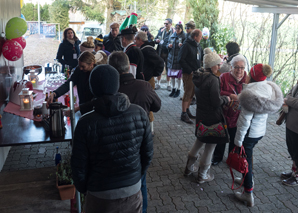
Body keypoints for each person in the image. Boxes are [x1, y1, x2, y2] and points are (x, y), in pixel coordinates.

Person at [71, 64, 153, 213]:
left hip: (99, 194)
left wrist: (86, 189)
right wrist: (136, 177)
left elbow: (78, 167)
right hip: (132, 190)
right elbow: (147, 153)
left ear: (92, 88)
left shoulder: (85, 122)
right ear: (117, 84)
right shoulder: (139, 113)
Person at [108, 51, 161, 213]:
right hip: (138, 142)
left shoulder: (109, 89)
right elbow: (157, 106)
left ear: (111, 68)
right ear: (128, 65)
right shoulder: (143, 86)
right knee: (141, 182)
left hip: (113, 143)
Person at [233, 64, 283, 207]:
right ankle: (247, 179)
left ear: (253, 75)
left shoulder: (251, 94)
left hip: (249, 132)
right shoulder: (267, 87)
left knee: (245, 160)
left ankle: (248, 193)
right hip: (259, 131)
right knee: (248, 157)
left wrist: (238, 141)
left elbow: (245, 120)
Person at [183, 52, 230, 183]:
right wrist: (226, 99)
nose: (219, 66)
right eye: (217, 64)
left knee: (199, 140)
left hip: (201, 114)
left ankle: (188, 168)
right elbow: (216, 102)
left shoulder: (198, 75)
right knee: (210, 146)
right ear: (212, 65)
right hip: (213, 116)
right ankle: (202, 175)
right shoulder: (213, 80)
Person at [212, 55, 248, 166]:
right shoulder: (224, 77)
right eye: (237, 67)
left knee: (235, 139)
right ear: (231, 67)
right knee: (221, 137)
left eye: (242, 67)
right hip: (224, 113)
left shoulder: (247, 79)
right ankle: (217, 157)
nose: (239, 70)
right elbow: (217, 92)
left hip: (239, 115)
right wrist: (230, 95)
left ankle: (231, 159)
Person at [47, 51, 96, 116]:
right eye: (79, 65)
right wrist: (55, 93)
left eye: (83, 66)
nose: (80, 68)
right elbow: (68, 84)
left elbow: (96, 100)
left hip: (94, 111)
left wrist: (78, 108)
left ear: (91, 64)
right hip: (83, 108)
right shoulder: (79, 70)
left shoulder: (97, 74)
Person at [135, 31, 164, 135]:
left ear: (140, 40)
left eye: (136, 39)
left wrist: (153, 74)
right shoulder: (146, 48)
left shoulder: (147, 50)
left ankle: (151, 129)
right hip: (146, 78)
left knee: (148, 103)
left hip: (148, 79)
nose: (134, 41)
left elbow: (160, 62)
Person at [178, 29, 204, 124]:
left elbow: (201, 57)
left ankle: (187, 110)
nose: (201, 38)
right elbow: (180, 59)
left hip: (196, 73)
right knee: (188, 92)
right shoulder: (186, 45)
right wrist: (190, 70)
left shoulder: (198, 45)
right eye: (200, 36)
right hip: (188, 74)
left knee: (192, 93)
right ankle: (183, 113)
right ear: (195, 36)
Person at [281, 80, 298, 186]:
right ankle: (294, 172)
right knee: (292, 150)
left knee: (297, 152)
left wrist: (288, 99)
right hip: (291, 123)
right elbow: (290, 92)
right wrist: (289, 98)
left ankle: (296, 177)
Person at [166, 21, 186, 98]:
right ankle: (173, 89)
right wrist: (168, 46)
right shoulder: (172, 36)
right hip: (171, 58)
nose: (177, 29)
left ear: (181, 29)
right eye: (176, 28)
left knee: (178, 76)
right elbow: (167, 44)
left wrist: (182, 46)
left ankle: (178, 90)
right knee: (172, 75)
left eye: (179, 28)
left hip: (178, 58)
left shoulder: (184, 37)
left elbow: (186, 48)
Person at [154, 18, 175, 91]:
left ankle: (168, 84)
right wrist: (156, 40)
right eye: (164, 23)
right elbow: (155, 39)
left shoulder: (174, 31)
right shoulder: (161, 30)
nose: (165, 25)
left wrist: (171, 45)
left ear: (170, 24)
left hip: (169, 53)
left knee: (168, 68)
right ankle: (158, 83)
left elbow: (176, 42)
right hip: (160, 52)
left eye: (166, 24)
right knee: (159, 67)